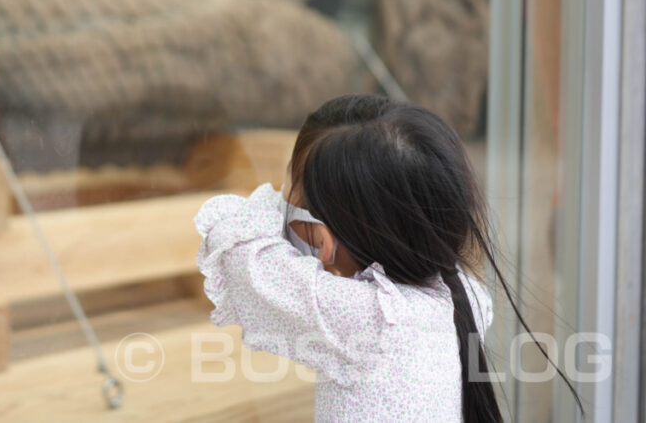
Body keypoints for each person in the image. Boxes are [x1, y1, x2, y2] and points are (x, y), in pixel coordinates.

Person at [195, 94, 580, 422]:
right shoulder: (465, 293)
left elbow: (239, 250)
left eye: (289, 202)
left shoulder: (370, 321)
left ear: (325, 241)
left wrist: (274, 208)